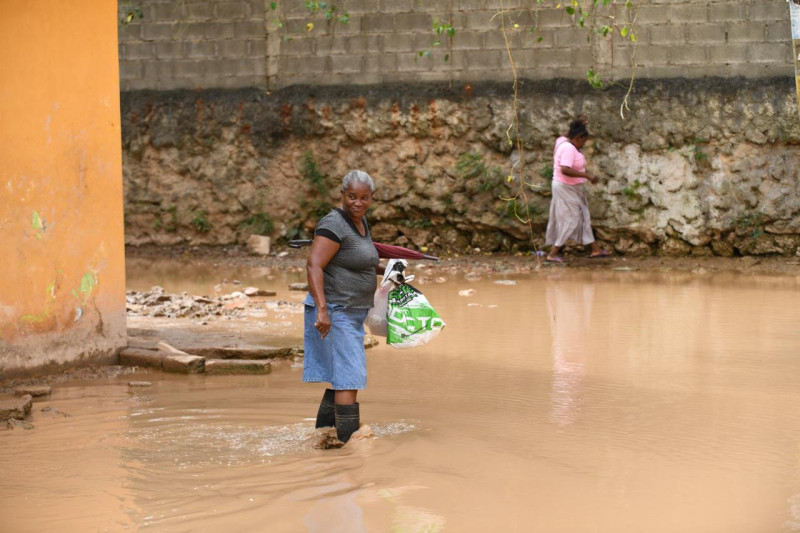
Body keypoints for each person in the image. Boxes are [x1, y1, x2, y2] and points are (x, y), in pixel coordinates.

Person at [304, 170, 384, 443]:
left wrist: (390, 269)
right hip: (335, 310)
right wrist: (322, 310)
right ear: (342, 194)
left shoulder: (360, 223)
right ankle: (349, 449)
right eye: (352, 197)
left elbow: (360, 260)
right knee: (350, 377)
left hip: (351, 312)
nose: (358, 203)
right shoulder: (334, 223)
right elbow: (314, 265)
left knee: (342, 375)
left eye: (364, 198)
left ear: (371, 198)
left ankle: (324, 439)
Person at [545, 120, 611, 263]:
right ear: (578, 138)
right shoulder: (569, 148)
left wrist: (578, 124)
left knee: (583, 216)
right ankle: (553, 253)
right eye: (583, 141)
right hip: (565, 187)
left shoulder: (562, 140)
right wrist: (587, 175)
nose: (584, 145)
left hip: (572, 187)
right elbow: (565, 169)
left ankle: (595, 249)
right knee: (570, 219)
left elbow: (567, 133)